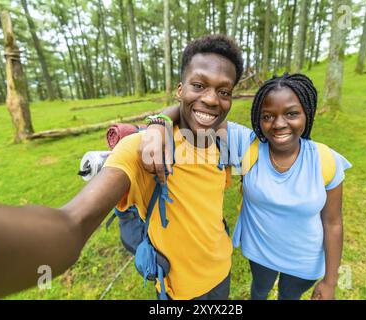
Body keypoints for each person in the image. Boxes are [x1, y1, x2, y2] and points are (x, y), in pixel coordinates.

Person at [0, 34, 243, 300]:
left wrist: (159, 118)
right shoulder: (144, 148)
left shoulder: (221, 141)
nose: (211, 99)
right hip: (181, 289)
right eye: (198, 85)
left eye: (224, 91)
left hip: (222, 270)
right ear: (180, 89)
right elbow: (73, 222)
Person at [140, 73, 352, 300]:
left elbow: (333, 223)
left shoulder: (326, 160)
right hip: (260, 253)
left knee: (289, 297)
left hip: (305, 260)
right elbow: (198, 112)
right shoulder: (246, 144)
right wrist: (159, 123)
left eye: (291, 114)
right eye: (268, 116)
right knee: (259, 292)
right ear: (258, 119)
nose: (279, 124)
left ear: (307, 114)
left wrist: (330, 281)